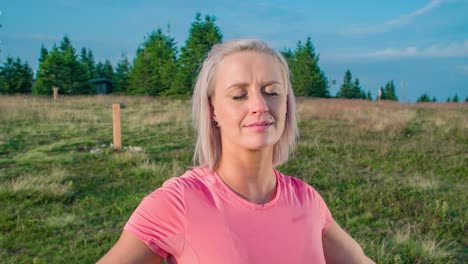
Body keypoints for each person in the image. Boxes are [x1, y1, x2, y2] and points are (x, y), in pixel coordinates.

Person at [98, 39, 374, 264]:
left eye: (272, 91)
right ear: (213, 109)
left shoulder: (307, 201)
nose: (260, 105)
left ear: (287, 104)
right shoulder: (177, 203)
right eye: (239, 95)